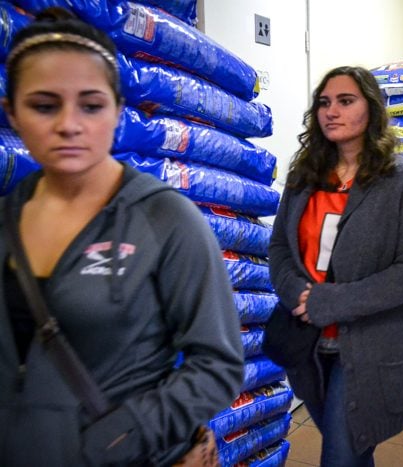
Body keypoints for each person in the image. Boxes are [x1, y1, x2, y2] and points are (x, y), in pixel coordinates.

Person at [0, 9, 244, 466]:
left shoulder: (164, 217)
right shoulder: (6, 219)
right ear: (12, 112)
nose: (69, 124)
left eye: (91, 105)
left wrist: (116, 438)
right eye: (44, 105)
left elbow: (217, 365)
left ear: (116, 111)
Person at [268, 66, 403, 466]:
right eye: (324, 103)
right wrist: (297, 294)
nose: (331, 111)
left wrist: (332, 302)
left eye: (346, 101)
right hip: (309, 343)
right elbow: (279, 248)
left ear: (372, 109)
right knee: (352, 450)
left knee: (340, 456)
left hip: (369, 351)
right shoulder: (304, 176)